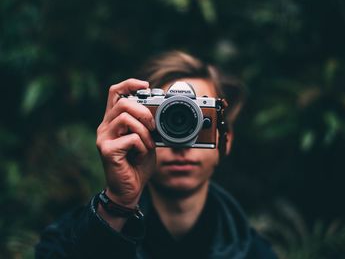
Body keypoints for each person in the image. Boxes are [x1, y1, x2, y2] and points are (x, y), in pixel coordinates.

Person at [35, 51, 277, 258]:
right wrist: (118, 204)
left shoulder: (254, 252)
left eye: (197, 119)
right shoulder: (69, 238)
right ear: (135, 123)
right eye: (167, 118)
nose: (181, 144)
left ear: (224, 139)